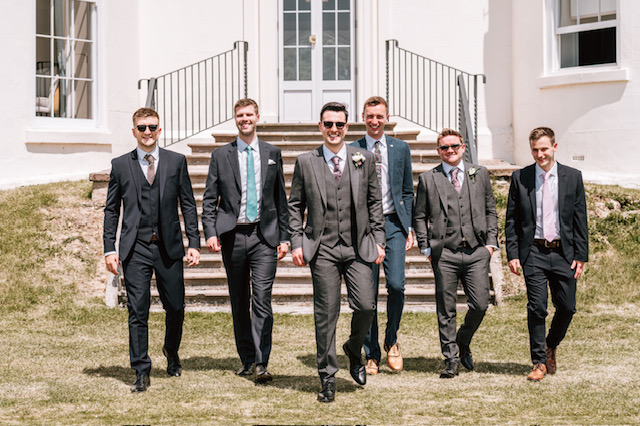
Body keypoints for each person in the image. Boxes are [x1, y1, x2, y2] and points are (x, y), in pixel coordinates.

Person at [288, 102, 385, 402]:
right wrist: (296, 242)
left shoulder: (364, 158)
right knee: (326, 315)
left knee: (367, 306)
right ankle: (327, 377)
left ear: (347, 127)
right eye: (328, 124)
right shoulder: (306, 162)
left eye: (339, 125)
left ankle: (353, 349)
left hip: (358, 247)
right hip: (323, 249)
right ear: (320, 126)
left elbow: (374, 203)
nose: (333, 130)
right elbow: (295, 206)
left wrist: (379, 239)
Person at [103, 107, 201, 392]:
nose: (148, 132)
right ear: (134, 131)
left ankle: (171, 351)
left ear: (160, 130)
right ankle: (141, 370)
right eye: (142, 128)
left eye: (152, 127)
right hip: (135, 249)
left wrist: (193, 243)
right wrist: (110, 248)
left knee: (176, 307)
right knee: (138, 310)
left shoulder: (176, 162)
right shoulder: (120, 165)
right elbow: (111, 210)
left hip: (168, 248)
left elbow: (188, 206)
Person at [201, 98, 289, 385]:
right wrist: (211, 232)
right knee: (240, 300)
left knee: (262, 299)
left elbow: (281, 200)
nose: (244, 119)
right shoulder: (221, 155)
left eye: (249, 114)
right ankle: (247, 359)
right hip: (233, 235)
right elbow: (209, 199)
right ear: (235, 119)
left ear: (258, 117)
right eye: (240, 115)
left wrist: (285, 237)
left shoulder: (272, 152)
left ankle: (262, 363)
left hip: (265, 236)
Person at [414, 128, 498, 379]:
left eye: (454, 146)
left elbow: (490, 209)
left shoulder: (479, 173)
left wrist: (491, 244)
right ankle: (450, 358)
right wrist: (426, 247)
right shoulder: (429, 178)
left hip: (476, 250)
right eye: (444, 148)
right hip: (445, 253)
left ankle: (463, 340)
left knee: (480, 304)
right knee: (446, 307)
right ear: (438, 151)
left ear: (463, 147)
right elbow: (419, 216)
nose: (450, 151)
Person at [505, 127, 588, 382]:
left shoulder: (572, 176)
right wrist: (513, 253)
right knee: (537, 307)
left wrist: (581, 255)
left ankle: (551, 344)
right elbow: (512, 220)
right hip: (534, 252)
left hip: (564, 252)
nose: (539, 154)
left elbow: (579, 218)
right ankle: (539, 361)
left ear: (554, 146)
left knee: (568, 307)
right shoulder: (521, 178)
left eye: (543, 149)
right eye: (534, 150)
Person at [351, 96, 414, 374]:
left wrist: (409, 226)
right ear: (363, 117)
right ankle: (371, 353)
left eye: (379, 116)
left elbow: (408, 191)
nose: (374, 121)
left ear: (386, 118)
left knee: (397, 285)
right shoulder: (352, 148)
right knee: (368, 293)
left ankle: (391, 340)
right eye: (370, 116)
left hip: (394, 225)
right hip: (364, 228)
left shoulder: (400, 148)